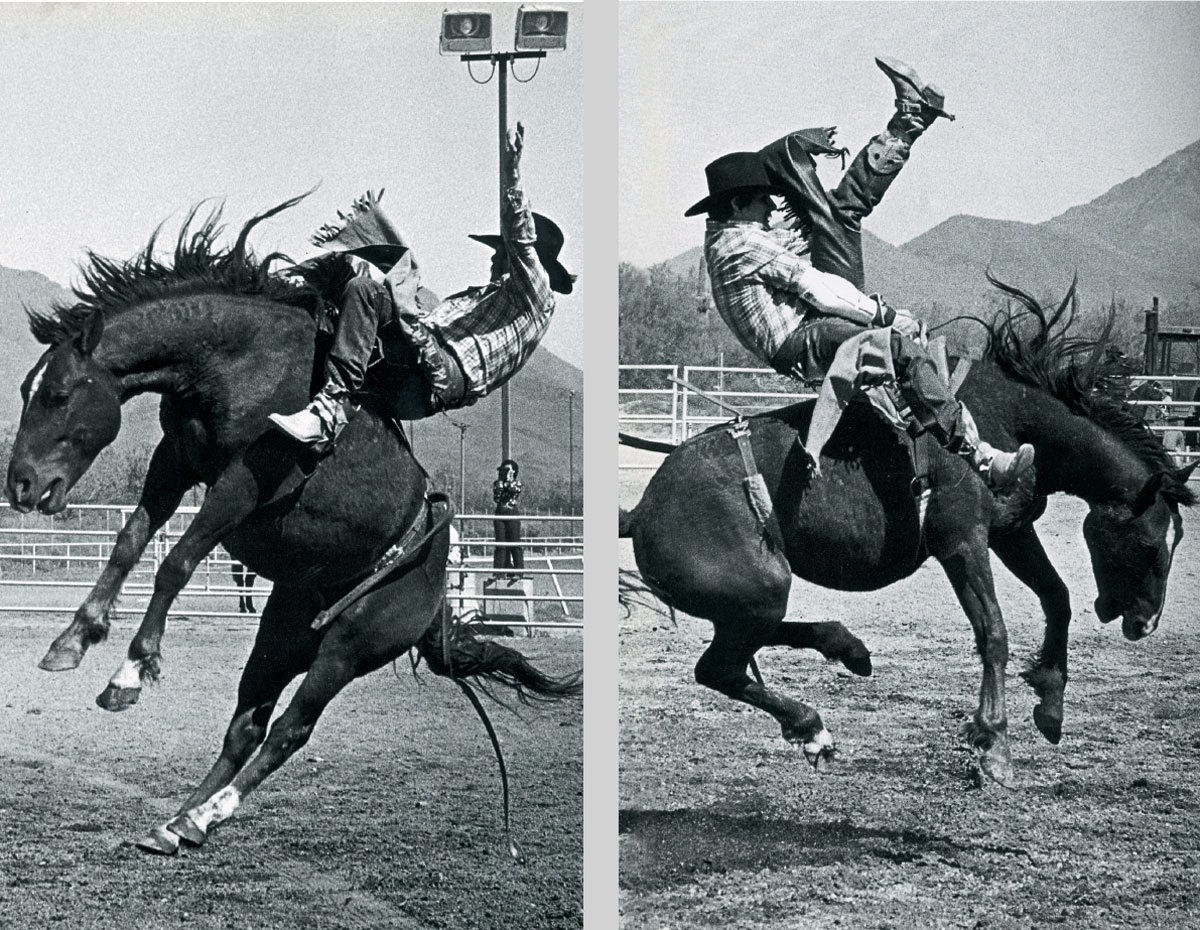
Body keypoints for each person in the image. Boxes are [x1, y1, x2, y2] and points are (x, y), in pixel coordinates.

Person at [686, 56, 1034, 490]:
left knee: (839, 212)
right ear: (738, 205)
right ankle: (980, 457)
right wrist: (882, 316)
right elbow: (816, 289)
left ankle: (909, 121)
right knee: (894, 348)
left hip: (807, 329)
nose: (772, 208)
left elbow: (813, 265)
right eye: (763, 201)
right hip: (803, 340)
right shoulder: (743, 244)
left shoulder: (736, 236)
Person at [269, 121, 575, 450]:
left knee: (366, 292)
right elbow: (423, 325)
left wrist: (511, 175)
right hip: (424, 356)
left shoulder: (538, 298)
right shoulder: (477, 298)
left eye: (502, 252)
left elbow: (521, 241)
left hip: (442, 373)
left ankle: (328, 412)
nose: (495, 257)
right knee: (347, 284)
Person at [492, 459, 525, 577]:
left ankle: (518, 571)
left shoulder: (517, 483)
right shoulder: (497, 483)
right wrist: (501, 482)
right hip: (500, 514)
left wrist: (509, 479)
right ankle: (498, 572)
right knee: (500, 544)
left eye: (507, 469)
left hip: (512, 513)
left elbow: (513, 489)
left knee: (515, 543)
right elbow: (497, 497)